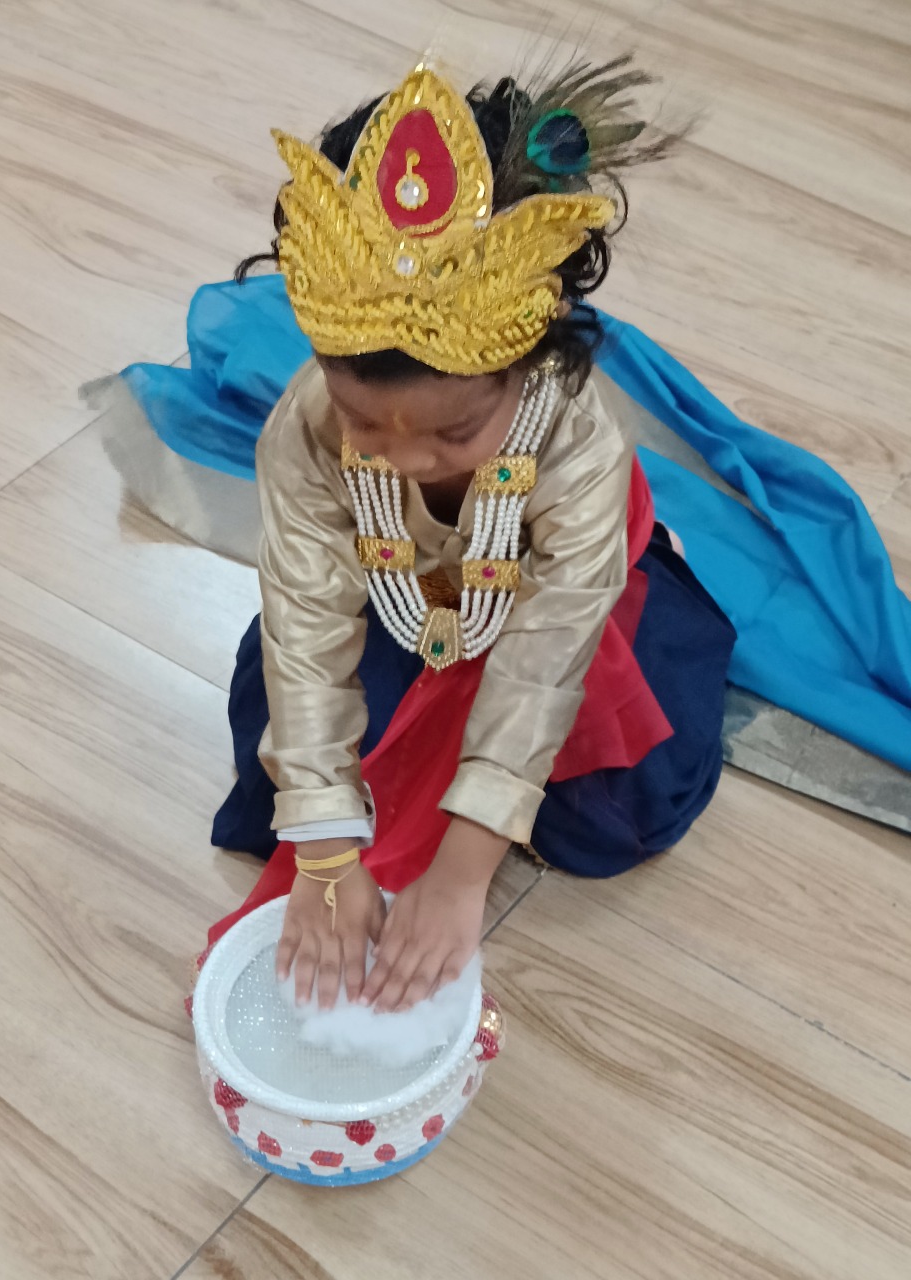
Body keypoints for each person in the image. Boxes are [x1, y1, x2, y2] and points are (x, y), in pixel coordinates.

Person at [198, 60, 737, 1014]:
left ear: (529, 363)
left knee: (616, 814)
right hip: (394, 599)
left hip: (547, 616)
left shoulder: (575, 442)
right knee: (280, 765)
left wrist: (462, 870)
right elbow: (307, 623)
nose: (405, 457)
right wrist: (325, 853)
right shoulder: (305, 430)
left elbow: (545, 657)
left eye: (454, 433)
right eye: (366, 421)